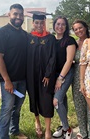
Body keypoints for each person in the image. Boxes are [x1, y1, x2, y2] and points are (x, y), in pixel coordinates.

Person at [0, 4, 28, 139]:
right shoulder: (2, 33)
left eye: (20, 14)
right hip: (8, 81)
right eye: (15, 14)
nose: (18, 17)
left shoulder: (24, 35)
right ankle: (3, 136)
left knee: (17, 107)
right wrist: (7, 80)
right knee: (7, 109)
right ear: (9, 15)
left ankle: (14, 130)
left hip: (22, 81)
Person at [26, 11, 56, 139]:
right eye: (37, 22)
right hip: (31, 74)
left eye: (41, 23)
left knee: (46, 100)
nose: (39, 25)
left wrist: (48, 74)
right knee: (34, 97)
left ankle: (48, 129)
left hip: (45, 76)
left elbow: (53, 58)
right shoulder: (28, 38)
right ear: (33, 23)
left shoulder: (50, 38)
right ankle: (37, 121)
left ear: (44, 23)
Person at [51, 16, 77, 139]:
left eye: (63, 24)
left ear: (66, 27)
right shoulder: (51, 40)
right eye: (58, 24)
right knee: (62, 100)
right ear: (54, 25)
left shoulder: (69, 40)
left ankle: (67, 128)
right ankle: (63, 125)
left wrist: (60, 79)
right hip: (54, 74)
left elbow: (69, 60)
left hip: (66, 73)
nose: (60, 26)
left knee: (56, 100)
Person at [71, 19, 90, 139]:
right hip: (76, 77)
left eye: (80, 27)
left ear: (85, 28)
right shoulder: (74, 44)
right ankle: (83, 132)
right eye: (75, 29)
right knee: (79, 105)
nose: (78, 30)